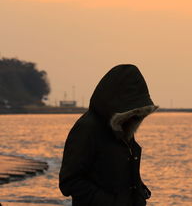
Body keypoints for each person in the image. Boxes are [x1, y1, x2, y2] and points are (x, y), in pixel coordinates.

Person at [59, 64, 158, 206]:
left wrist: (139, 192)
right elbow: (69, 182)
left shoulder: (124, 127)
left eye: (139, 113)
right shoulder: (87, 129)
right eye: (133, 112)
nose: (136, 118)